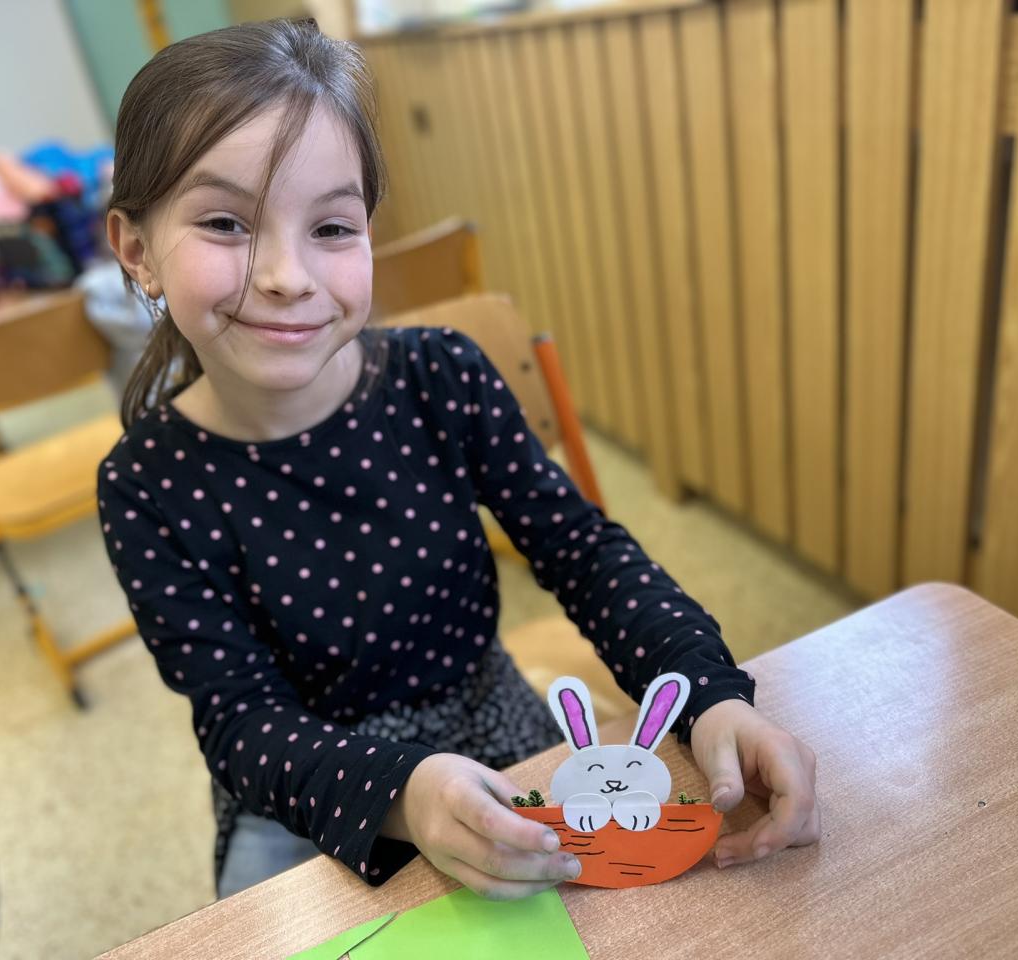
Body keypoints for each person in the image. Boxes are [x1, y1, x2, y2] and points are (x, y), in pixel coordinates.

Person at [97, 18, 820, 901]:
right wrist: (401, 791)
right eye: (225, 223)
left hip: (487, 718)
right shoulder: (145, 485)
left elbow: (586, 555)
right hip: (307, 781)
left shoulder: (441, 376)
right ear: (137, 250)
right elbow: (240, 720)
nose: (288, 275)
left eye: (332, 226)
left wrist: (711, 695)